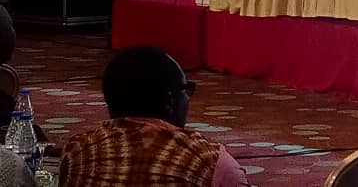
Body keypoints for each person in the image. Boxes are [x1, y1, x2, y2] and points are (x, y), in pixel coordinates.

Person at [60, 46, 247, 187]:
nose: (189, 98)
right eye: (187, 89)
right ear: (170, 101)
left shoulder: (77, 152)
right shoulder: (209, 161)